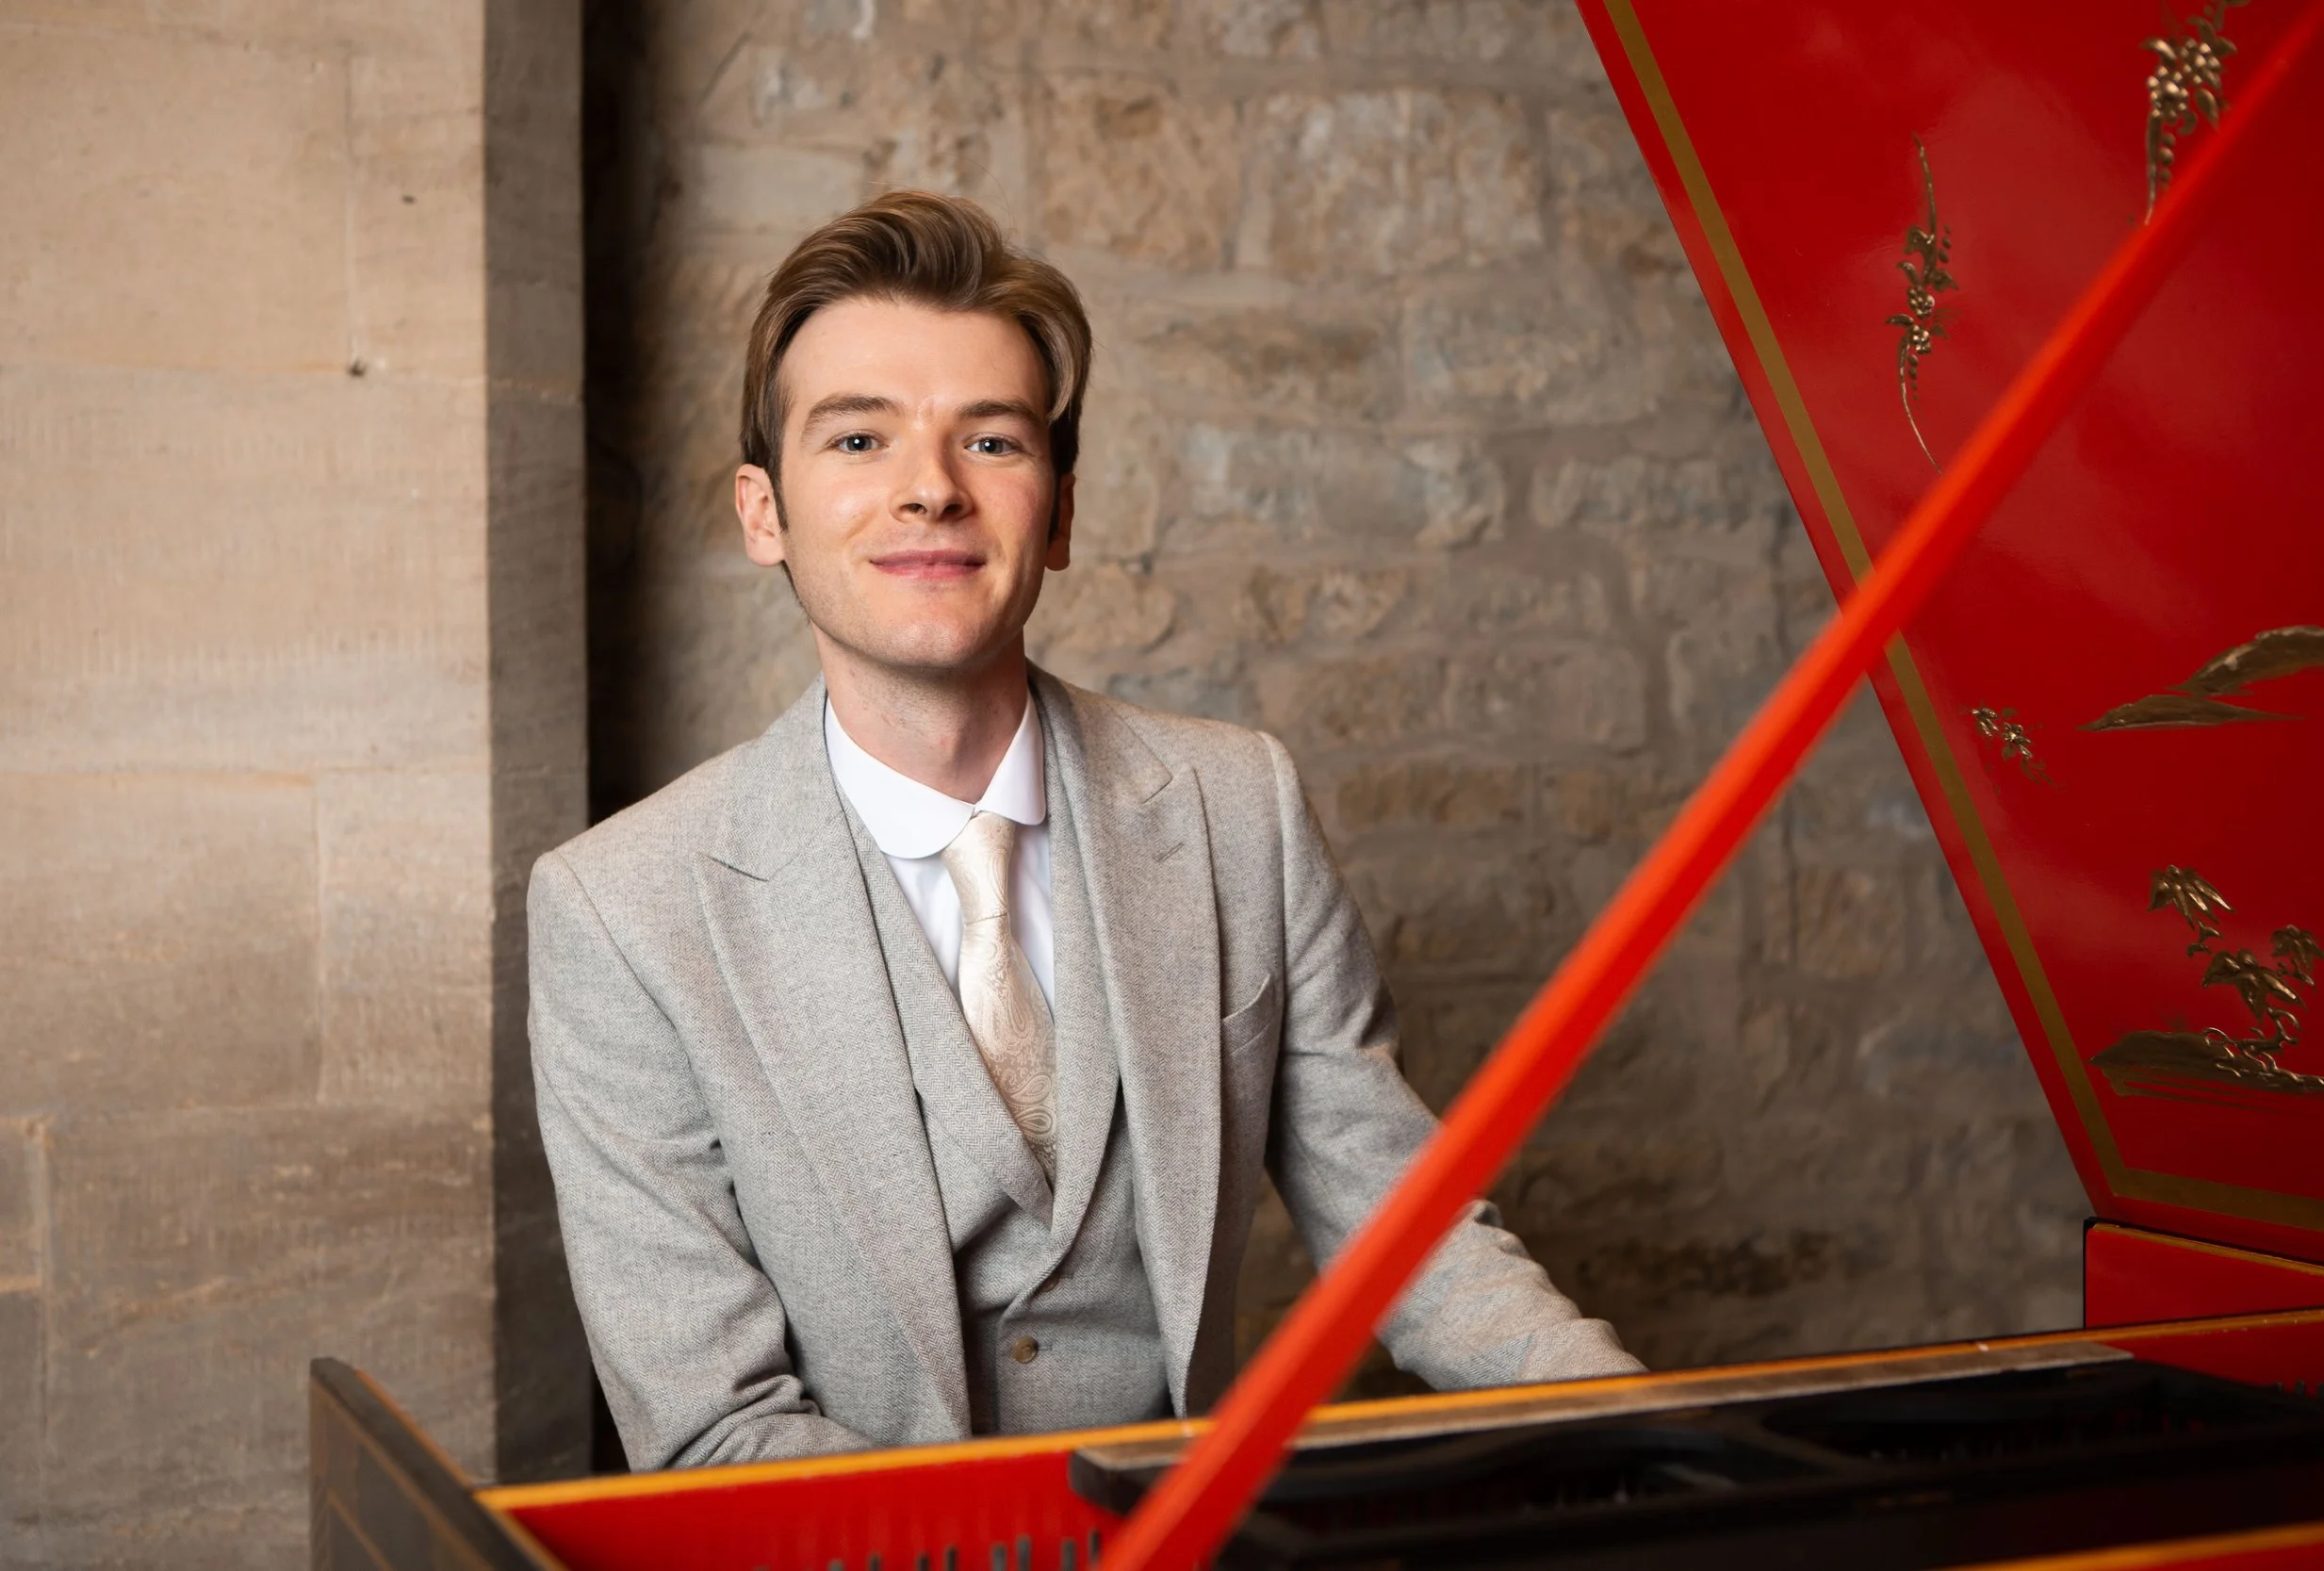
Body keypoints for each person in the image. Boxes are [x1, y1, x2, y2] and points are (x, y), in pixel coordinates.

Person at [529, 190, 1642, 1472]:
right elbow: (716, 1428)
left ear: (1057, 513)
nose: (929, 492)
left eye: (990, 442)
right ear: (762, 510)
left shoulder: (1240, 809)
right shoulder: (621, 911)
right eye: (857, 441)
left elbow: (1416, 1241)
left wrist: (1667, 1442)